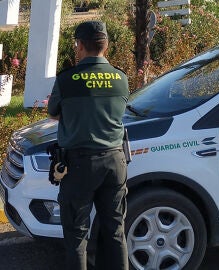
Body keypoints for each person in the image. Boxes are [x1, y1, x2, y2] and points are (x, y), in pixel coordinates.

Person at [47, 20, 129, 270]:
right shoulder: (120, 78)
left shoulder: (67, 80)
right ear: (106, 46)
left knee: (77, 236)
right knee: (115, 232)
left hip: (80, 165)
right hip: (115, 162)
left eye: (76, 44)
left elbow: (53, 113)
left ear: (80, 46)